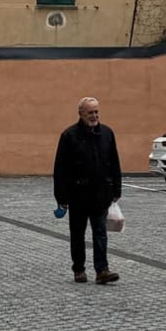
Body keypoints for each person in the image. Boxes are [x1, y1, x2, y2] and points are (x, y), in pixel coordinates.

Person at [52, 96, 122, 285]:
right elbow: (60, 169)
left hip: (101, 194)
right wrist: (61, 197)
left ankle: (102, 270)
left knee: (100, 232)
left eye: (96, 112)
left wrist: (117, 188)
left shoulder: (107, 133)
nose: (94, 116)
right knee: (78, 234)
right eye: (90, 112)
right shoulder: (69, 136)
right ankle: (79, 269)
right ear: (81, 114)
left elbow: (114, 161)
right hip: (77, 195)